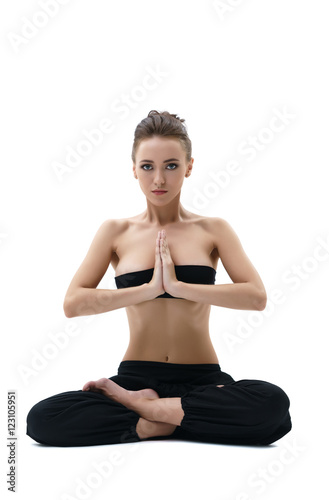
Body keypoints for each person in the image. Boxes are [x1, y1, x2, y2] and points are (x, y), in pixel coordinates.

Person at [26, 110, 292, 447]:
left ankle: (147, 412)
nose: (159, 180)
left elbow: (256, 297)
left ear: (189, 167)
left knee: (273, 405)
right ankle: (170, 419)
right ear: (134, 169)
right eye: (148, 167)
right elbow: (73, 304)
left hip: (203, 378)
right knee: (43, 418)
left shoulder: (213, 229)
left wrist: (179, 287)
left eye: (171, 165)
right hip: (135, 379)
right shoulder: (115, 232)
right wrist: (148, 289)